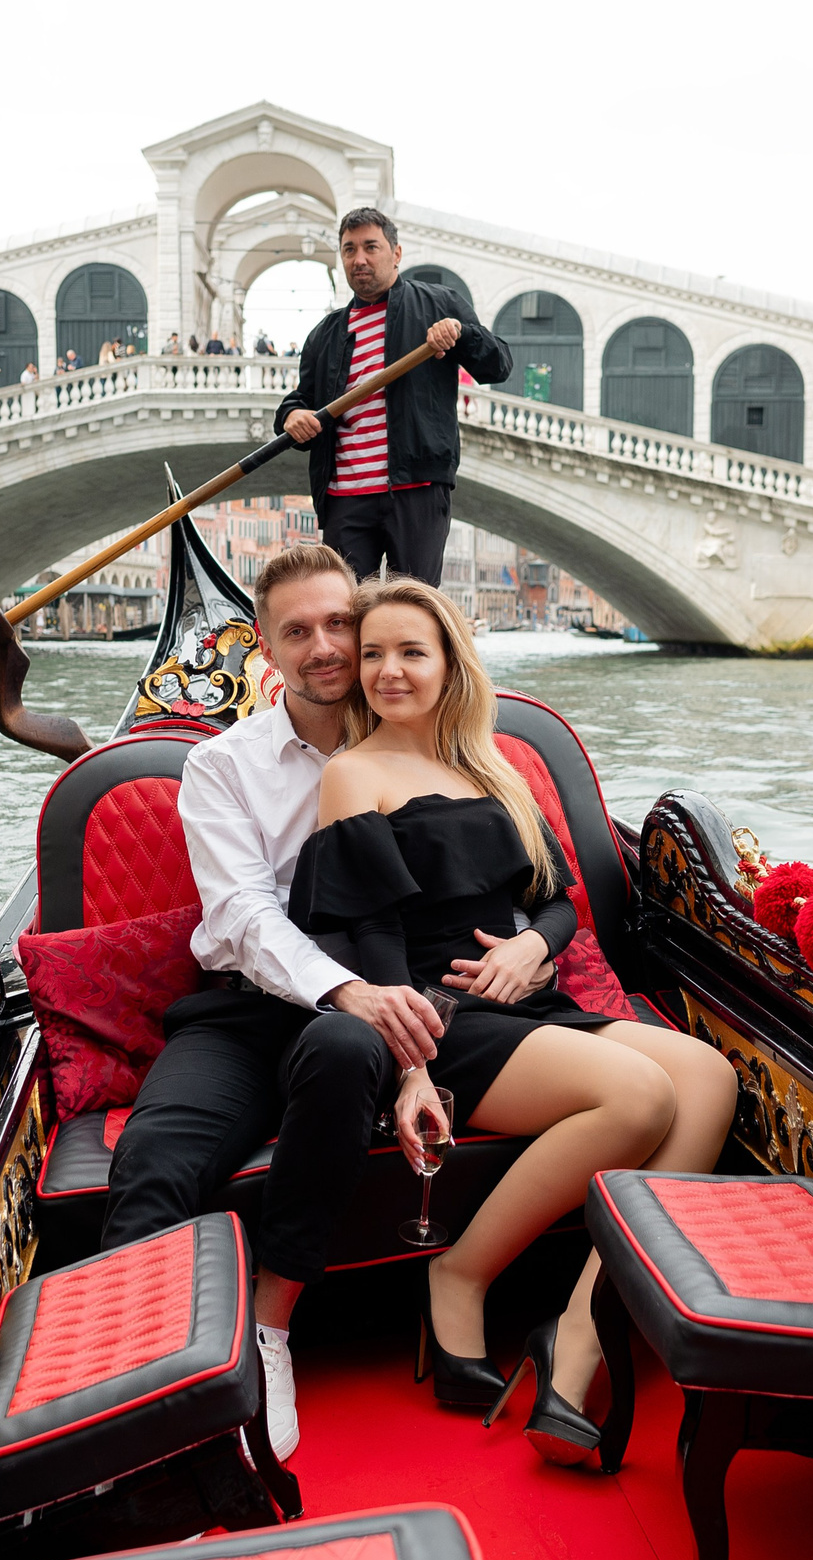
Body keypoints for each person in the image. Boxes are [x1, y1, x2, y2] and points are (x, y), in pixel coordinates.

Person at [292, 575, 735, 1465]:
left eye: (410, 651)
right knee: (642, 1097)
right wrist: (410, 1063)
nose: (387, 670)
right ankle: (458, 1275)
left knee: (710, 1078)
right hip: (441, 1016)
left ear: (451, 660)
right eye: (372, 653)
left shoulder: (488, 763)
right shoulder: (353, 772)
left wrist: (534, 946)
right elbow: (370, 931)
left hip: (530, 999)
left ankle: (580, 1332)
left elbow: (558, 904)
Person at [101, 544, 460, 1463]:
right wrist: (350, 989)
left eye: (340, 623)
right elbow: (244, 918)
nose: (326, 647)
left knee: (345, 1052)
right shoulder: (223, 766)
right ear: (264, 646)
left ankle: (272, 1332)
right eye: (298, 630)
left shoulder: (429, 749)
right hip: (244, 1008)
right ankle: (136, 1407)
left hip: (358, 1019)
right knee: (153, 1159)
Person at [279, 208, 510, 587]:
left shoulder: (438, 305)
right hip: (344, 496)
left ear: (396, 253)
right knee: (346, 609)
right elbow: (301, 400)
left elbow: (498, 365)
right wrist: (290, 416)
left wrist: (462, 334)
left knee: (413, 606)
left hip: (415, 488)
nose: (360, 259)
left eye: (371, 247)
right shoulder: (325, 334)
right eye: (349, 250)